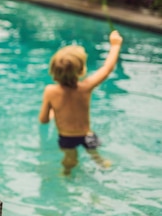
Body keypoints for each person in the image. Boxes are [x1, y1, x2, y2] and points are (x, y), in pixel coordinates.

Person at [38, 30, 122, 175]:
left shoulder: (50, 91)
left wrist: (52, 111)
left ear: (53, 70)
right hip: (87, 135)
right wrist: (115, 45)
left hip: (67, 138)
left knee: (70, 160)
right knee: (96, 156)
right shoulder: (86, 87)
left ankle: (66, 173)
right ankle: (104, 165)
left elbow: (43, 120)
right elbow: (107, 68)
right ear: (81, 70)